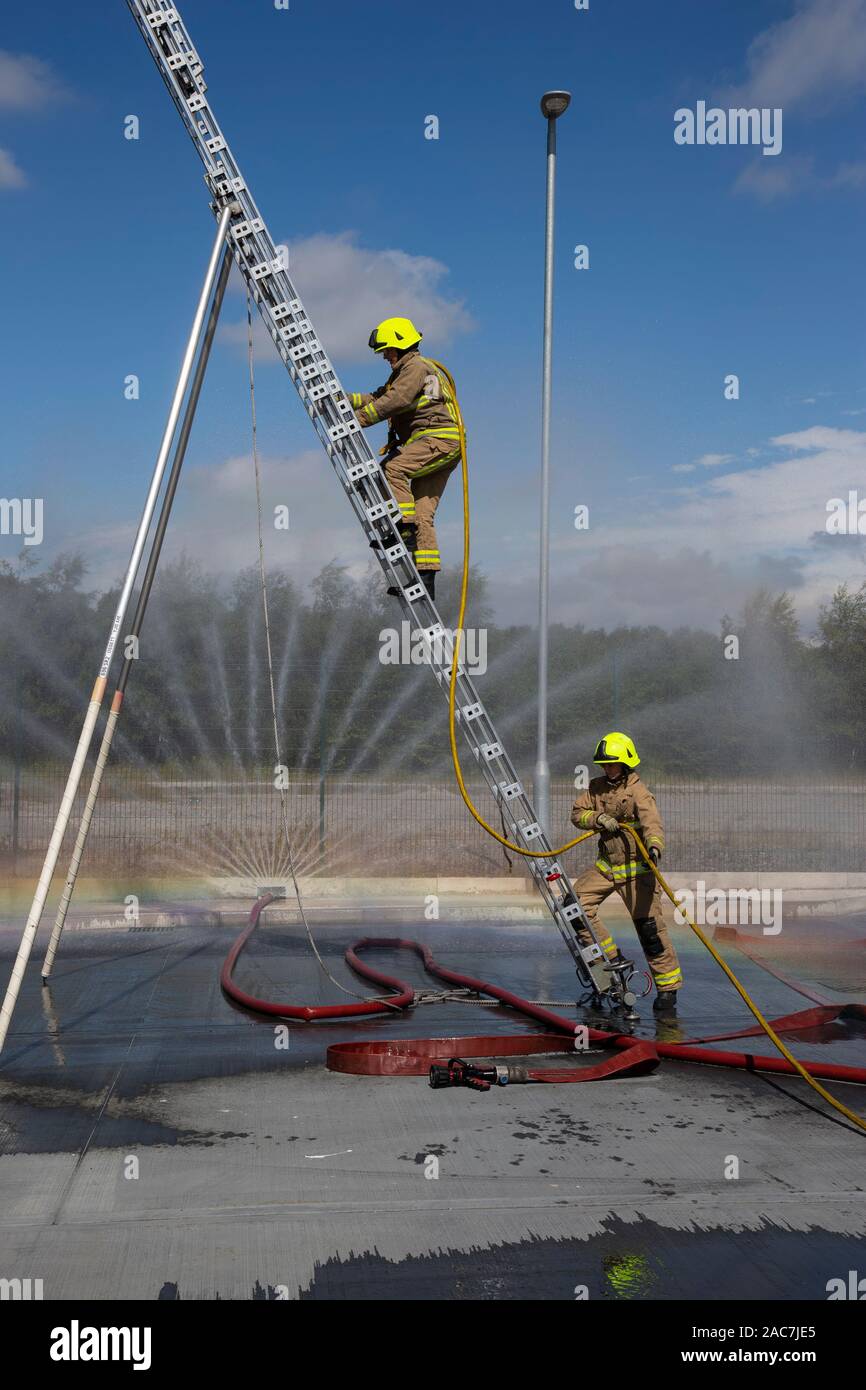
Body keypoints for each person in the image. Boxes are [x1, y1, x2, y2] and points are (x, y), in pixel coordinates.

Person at [349, 317, 461, 600]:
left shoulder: (415, 367)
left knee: (393, 468)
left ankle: (404, 529)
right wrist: (344, 399)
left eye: (387, 350)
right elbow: (379, 396)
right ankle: (425, 580)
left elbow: (395, 401)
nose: (385, 356)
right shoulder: (406, 371)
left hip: (437, 440)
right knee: (423, 514)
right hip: (439, 443)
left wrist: (357, 421)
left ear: (400, 345)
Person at [570, 731, 683, 1013]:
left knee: (650, 931)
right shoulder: (596, 788)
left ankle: (668, 989)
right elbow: (577, 814)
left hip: (637, 872)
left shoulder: (638, 791)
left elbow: (652, 823)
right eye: (604, 764)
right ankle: (611, 959)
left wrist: (654, 847)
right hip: (607, 867)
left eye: (612, 763)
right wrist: (598, 818)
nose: (607, 768)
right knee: (574, 907)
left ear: (625, 763)